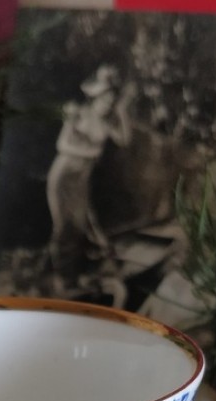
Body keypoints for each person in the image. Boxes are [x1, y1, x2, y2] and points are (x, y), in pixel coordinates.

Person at [45, 65, 136, 290]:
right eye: (104, 99)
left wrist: (122, 111)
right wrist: (90, 152)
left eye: (111, 101)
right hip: (63, 176)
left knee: (80, 225)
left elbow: (125, 140)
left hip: (81, 179)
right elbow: (62, 144)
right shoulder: (79, 114)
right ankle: (62, 279)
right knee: (64, 227)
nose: (108, 104)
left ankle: (71, 275)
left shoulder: (106, 122)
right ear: (95, 97)